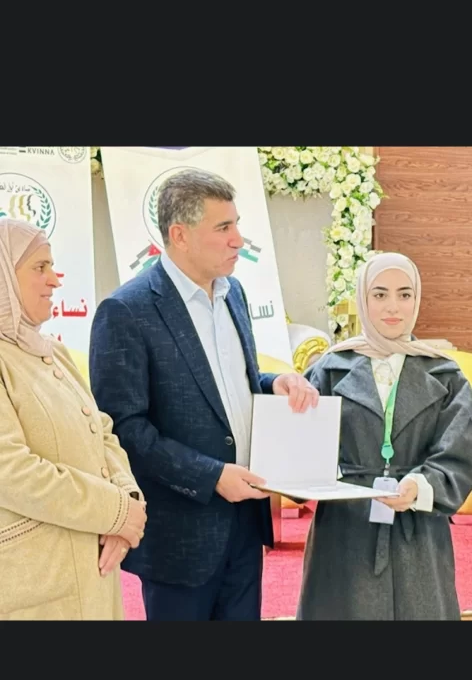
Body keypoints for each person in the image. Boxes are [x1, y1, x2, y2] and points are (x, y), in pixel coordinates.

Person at [89, 168, 318, 621]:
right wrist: (210, 476)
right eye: (223, 227)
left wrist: (274, 383)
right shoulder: (126, 311)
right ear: (180, 235)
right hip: (180, 539)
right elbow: (124, 430)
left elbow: (231, 384)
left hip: (246, 526)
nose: (238, 240)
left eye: (237, 225)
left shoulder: (234, 295)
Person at [297, 252, 472, 621]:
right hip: (346, 529)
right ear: (362, 299)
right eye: (379, 294)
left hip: (419, 531)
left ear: (417, 299)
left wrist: (421, 485)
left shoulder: (445, 374)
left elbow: (461, 450)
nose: (393, 306)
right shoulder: (329, 369)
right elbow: (300, 449)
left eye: (404, 294)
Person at [0, 218, 147, 621]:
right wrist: (114, 511)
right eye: (40, 267)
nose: (54, 280)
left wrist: (128, 500)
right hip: (34, 586)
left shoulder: (53, 352)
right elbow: (10, 471)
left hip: (92, 578)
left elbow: (102, 432)